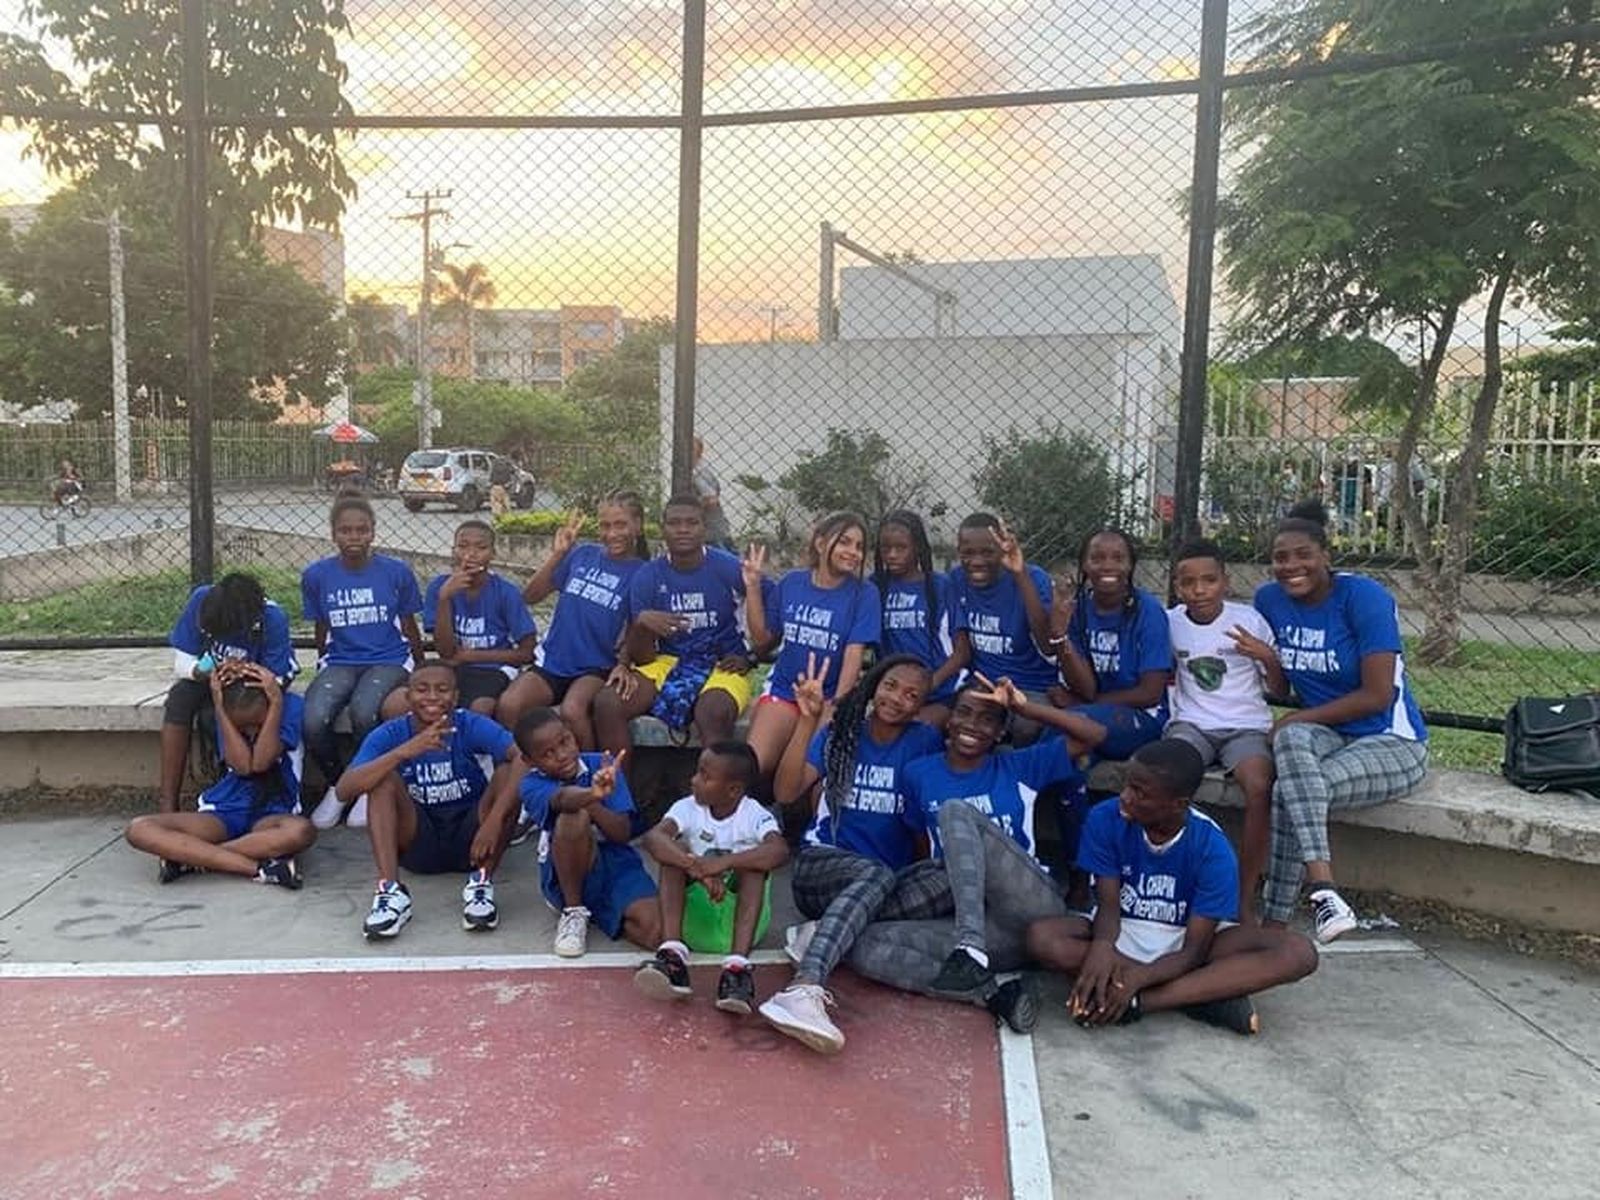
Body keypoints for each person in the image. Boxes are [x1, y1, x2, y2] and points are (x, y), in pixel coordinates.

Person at [842, 679, 1103, 1026]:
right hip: (992, 933)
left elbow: (1094, 736)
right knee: (865, 945)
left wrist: (1025, 708)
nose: (972, 725)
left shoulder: (1019, 767)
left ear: (999, 733)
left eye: (987, 719)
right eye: (964, 713)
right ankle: (992, 994)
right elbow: (924, 847)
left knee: (955, 811)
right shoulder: (918, 774)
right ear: (949, 721)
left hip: (1032, 910)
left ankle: (968, 950)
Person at [1027, 740, 1319, 1035]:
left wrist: (1140, 980)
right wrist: (1101, 948)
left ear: (1178, 804)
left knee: (1298, 952)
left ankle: (1143, 1002)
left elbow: (1194, 951)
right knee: (1043, 938)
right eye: (1127, 785)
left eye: (1140, 793)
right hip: (1121, 931)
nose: (1126, 797)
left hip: (1187, 941)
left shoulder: (1212, 849)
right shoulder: (1105, 817)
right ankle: (1205, 995)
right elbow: (1108, 907)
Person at [1251, 499, 1428, 943]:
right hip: (1328, 735)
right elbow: (1287, 687)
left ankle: (1277, 922)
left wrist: (1299, 716)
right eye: (1280, 557)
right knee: (1293, 745)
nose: (1291, 566)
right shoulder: (1269, 600)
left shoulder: (1364, 597)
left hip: (1391, 741)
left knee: (1290, 790)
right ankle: (1324, 895)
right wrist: (1271, 662)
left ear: (1326, 556)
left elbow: (1377, 694)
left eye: (1303, 555)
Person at [759, 652, 945, 1053]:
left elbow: (920, 826)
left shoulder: (924, 742)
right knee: (876, 875)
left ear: (920, 707)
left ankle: (821, 934)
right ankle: (804, 988)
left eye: (912, 695)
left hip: (882, 880)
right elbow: (786, 792)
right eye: (891, 686)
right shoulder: (841, 732)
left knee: (948, 878)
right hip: (821, 867)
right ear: (874, 684)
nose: (897, 698)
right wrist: (808, 721)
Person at [335, 662, 520, 939]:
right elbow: (344, 790)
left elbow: (525, 757)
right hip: (419, 839)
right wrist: (403, 752)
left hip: (474, 841)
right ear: (407, 697)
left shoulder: (470, 724)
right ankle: (390, 890)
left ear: (456, 697)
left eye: (442, 689)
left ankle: (481, 884)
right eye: (422, 690)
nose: (432, 697)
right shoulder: (391, 733)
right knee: (381, 780)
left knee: (508, 771)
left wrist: (494, 821)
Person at [1165, 538, 1287, 923]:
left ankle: (1243, 893)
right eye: (1188, 582)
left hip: (1245, 727)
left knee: (1258, 786)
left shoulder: (1248, 621)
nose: (1199, 590)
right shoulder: (1171, 623)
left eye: (1209, 580)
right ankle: (1175, 878)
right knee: (1168, 780)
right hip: (1191, 724)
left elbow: (1280, 690)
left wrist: (1266, 656)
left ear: (1225, 582)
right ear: (1176, 586)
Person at [126, 662, 313, 888]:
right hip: (225, 810)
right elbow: (243, 766)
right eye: (242, 728)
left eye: (257, 724)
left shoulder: (288, 706)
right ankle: (257, 868)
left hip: (273, 812)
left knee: (301, 831)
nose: (251, 732)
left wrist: (275, 704)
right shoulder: (224, 712)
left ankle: (194, 858)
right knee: (139, 829)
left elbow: (261, 762)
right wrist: (220, 708)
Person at [634, 742, 789, 1015]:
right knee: (674, 852)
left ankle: (737, 971)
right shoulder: (686, 807)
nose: (694, 780)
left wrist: (723, 863)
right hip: (696, 921)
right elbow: (654, 838)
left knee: (754, 865)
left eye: (705, 776)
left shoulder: (754, 814)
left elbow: (779, 850)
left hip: (739, 925)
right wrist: (696, 869)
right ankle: (673, 958)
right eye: (697, 772)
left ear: (733, 790)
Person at [302, 494, 424, 829]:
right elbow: (321, 626)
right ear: (333, 534)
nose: (353, 537)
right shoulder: (317, 576)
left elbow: (409, 624)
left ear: (373, 533)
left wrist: (420, 666)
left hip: (389, 658)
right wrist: (323, 659)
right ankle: (338, 786)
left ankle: (370, 787)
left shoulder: (396, 573)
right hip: (341, 659)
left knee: (364, 710)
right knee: (313, 718)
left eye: (361, 530)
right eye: (345, 531)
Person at [500, 493, 651, 750]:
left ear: (637, 525)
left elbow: (637, 628)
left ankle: (589, 776)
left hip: (597, 666)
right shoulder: (582, 554)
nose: (612, 533)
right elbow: (530, 596)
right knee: (509, 705)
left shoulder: (643, 573)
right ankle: (524, 775)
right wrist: (558, 554)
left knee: (573, 710)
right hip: (555, 660)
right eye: (605, 525)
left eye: (620, 525)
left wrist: (624, 664)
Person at [742, 511, 880, 783]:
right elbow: (761, 639)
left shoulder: (865, 594)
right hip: (786, 690)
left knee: (800, 778)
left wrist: (835, 707)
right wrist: (753, 586)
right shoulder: (792, 583)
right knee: (751, 768)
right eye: (845, 542)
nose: (853, 552)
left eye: (859, 546)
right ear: (820, 543)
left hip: (829, 696)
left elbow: (854, 657)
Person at [514, 709, 660, 958]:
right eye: (547, 753)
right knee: (574, 817)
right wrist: (591, 796)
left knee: (656, 933)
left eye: (564, 742)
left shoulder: (602, 765)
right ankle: (574, 910)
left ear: (572, 734)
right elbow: (562, 799)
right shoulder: (531, 784)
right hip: (569, 872)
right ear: (529, 761)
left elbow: (621, 834)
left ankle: (605, 912)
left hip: (618, 864)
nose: (561, 755)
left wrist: (595, 800)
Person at [615, 495, 754, 749]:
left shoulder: (729, 567)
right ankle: (616, 785)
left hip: (723, 663)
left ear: (704, 528)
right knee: (609, 703)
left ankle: (712, 785)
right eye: (674, 523)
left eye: (692, 523)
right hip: (668, 661)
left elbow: (775, 614)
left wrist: (752, 656)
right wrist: (642, 624)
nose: (683, 530)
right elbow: (643, 657)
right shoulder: (648, 575)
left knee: (712, 712)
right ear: (662, 528)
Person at [158, 571, 297, 814]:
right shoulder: (203, 600)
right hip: (210, 676)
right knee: (179, 698)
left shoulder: (272, 617)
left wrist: (242, 673)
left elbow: (274, 679)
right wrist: (207, 674)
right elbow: (182, 662)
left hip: (253, 685)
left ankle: (235, 785)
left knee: (223, 714)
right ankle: (168, 801)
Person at [1049, 526, 1173, 760]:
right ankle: (1067, 797)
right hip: (1090, 712)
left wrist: (1083, 703)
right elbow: (1086, 688)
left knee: (1070, 726)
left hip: (1142, 715)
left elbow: (1150, 693)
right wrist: (1059, 634)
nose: (1107, 566)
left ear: (1130, 565)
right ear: (1084, 565)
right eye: (1097, 558)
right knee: (1075, 748)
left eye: (1118, 558)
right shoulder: (1077, 608)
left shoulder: (1148, 611)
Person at [408, 520, 537, 720]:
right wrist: (445, 599)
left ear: (493, 553)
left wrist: (470, 656)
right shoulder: (440, 588)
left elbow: (527, 653)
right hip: (455, 666)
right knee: (433, 703)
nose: (471, 554)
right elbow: (445, 651)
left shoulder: (506, 592)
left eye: (481, 547)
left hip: (496, 667)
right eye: (463, 546)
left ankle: (482, 751)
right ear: (453, 551)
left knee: (480, 707)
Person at [947, 513, 1057, 739]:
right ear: (959, 552)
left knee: (1026, 726)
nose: (977, 561)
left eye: (987, 552)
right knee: (957, 719)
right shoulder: (956, 580)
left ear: (1002, 549)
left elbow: (1048, 645)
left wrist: (1019, 574)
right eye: (968, 553)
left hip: (1031, 685)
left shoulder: (1034, 577)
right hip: (985, 682)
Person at [873, 509, 965, 725]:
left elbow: (962, 652)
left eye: (901, 548)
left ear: (918, 548)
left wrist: (931, 683)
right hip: (895, 693)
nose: (892, 555)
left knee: (914, 732)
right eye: (886, 548)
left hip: (940, 690)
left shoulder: (940, 586)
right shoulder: (875, 587)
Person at [692, 435, 734, 549]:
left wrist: (692, 508)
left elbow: (712, 499)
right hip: (713, 530)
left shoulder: (697, 474)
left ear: (698, 453)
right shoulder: (702, 470)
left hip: (712, 531)